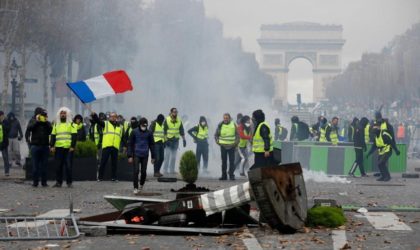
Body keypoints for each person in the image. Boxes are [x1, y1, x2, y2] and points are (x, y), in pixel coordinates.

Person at [92, 111, 124, 181]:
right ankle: (100, 177)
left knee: (114, 163)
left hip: (115, 146)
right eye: (111, 116)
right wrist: (94, 116)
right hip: (107, 146)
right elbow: (98, 121)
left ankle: (114, 177)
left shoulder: (120, 126)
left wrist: (124, 145)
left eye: (114, 116)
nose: (113, 118)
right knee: (103, 162)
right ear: (109, 117)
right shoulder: (105, 124)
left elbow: (122, 136)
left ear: (116, 118)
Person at [50, 107, 77, 188]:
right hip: (58, 148)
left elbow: (74, 136)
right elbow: (53, 136)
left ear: (67, 114)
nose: (63, 115)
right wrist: (51, 146)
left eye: (64, 113)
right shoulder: (56, 124)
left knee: (68, 166)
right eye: (61, 113)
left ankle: (69, 182)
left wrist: (72, 146)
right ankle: (58, 182)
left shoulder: (72, 124)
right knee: (58, 166)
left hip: (68, 148)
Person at [25, 107, 52, 187]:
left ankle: (44, 182)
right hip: (35, 146)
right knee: (35, 166)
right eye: (40, 114)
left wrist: (46, 121)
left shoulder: (46, 122)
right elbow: (29, 128)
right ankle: (35, 182)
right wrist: (37, 121)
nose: (41, 116)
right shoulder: (33, 120)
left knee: (44, 166)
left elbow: (51, 131)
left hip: (45, 146)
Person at [127, 118, 155, 194]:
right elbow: (130, 144)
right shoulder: (134, 132)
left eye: (145, 126)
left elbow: (152, 145)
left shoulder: (149, 133)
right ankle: (135, 187)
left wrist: (153, 157)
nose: (144, 127)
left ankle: (141, 185)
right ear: (139, 124)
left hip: (145, 155)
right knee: (136, 171)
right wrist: (129, 156)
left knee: (143, 172)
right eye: (143, 125)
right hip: (136, 154)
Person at [214, 113, 239, 180]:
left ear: (229, 118)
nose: (225, 119)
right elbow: (216, 135)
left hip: (232, 146)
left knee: (232, 161)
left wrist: (236, 143)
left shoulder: (233, 125)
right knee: (224, 162)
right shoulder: (220, 125)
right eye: (224, 118)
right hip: (223, 146)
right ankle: (224, 176)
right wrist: (217, 141)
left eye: (227, 118)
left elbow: (237, 135)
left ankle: (231, 175)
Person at [163, 108, 186, 174]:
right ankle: (165, 170)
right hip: (168, 140)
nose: (175, 113)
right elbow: (164, 131)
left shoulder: (179, 120)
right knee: (167, 155)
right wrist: (165, 140)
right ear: (171, 112)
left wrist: (184, 140)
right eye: (174, 112)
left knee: (173, 156)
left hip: (176, 140)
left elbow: (181, 130)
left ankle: (172, 170)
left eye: (176, 112)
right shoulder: (167, 120)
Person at [0, 111, 10, 176]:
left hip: (4, 142)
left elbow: (8, 129)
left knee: (5, 157)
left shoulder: (6, 121)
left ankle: (7, 171)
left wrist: (2, 124)